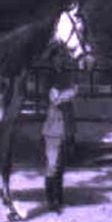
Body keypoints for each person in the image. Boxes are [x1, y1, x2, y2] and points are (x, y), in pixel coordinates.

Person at [42, 48, 78, 212]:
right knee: (52, 164)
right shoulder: (49, 78)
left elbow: (72, 92)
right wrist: (70, 93)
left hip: (66, 125)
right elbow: (55, 99)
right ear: (53, 60)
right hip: (53, 125)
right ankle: (51, 200)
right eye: (58, 57)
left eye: (62, 58)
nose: (61, 61)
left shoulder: (66, 76)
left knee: (61, 164)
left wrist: (69, 93)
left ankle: (59, 197)